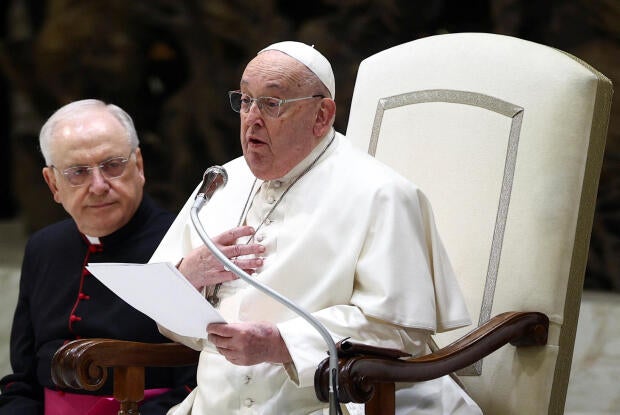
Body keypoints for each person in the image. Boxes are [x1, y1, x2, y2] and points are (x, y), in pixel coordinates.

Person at [150, 42, 482, 414]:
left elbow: (398, 333)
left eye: (271, 104)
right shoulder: (221, 183)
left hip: (333, 403)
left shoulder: (382, 194)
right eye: (245, 100)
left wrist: (281, 343)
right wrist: (186, 276)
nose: (252, 118)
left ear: (321, 115)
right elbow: (165, 310)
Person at [0, 99, 197, 415]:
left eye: (113, 165)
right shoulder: (43, 248)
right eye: (77, 172)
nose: (98, 186)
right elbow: (22, 380)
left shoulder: (184, 243)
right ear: (53, 184)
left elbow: (198, 383)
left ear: (139, 166)